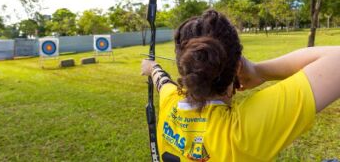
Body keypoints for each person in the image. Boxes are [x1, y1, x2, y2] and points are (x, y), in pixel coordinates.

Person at [141, 9, 340, 161]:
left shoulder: (170, 101)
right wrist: (258, 71)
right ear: (237, 66)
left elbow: (161, 80)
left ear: (183, 64)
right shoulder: (241, 132)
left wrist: (151, 66)